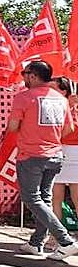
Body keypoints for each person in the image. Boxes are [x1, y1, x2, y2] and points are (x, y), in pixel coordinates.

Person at [9, 61, 78, 259]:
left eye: (25, 74)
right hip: (55, 154)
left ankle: (65, 240)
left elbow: (13, 127)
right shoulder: (61, 99)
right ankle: (36, 242)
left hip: (31, 154)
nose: (23, 77)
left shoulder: (23, 97)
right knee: (44, 198)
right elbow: (69, 129)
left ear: (33, 76)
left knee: (32, 198)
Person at [50, 76, 78, 239]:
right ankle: (57, 236)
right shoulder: (51, 106)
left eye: (54, 88)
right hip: (57, 151)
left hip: (75, 153)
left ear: (65, 91)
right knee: (56, 196)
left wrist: (72, 107)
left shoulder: (74, 106)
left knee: (76, 195)